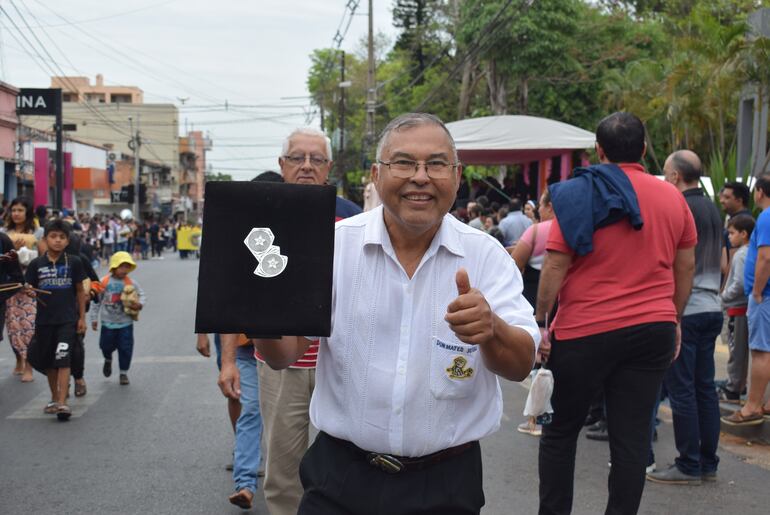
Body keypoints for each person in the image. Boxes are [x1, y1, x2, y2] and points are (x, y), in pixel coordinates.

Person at [220, 113, 538, 515]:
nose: (420, 177)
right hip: (339, 478)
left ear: (457, 176)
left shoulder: (487, 257)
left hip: (445, 485)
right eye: (404, 163)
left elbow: (521, 363)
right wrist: (261, 309)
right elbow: (284, 355)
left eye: (436, 164)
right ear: (376, 173)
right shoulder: (332, 247)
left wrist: (492, 329)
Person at [535, 112, 697, 514]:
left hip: (584, 329)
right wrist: (673, 318)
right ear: (644, 148)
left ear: (599, 150)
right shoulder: (673, 198)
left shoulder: (577, 194)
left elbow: (555, 264)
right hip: (652, 328)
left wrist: (541, 322)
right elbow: (686, 266)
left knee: (560, 432)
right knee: (632, 439)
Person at [219, 127, 361, 515]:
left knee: (350, 465)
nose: (306, 166)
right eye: (297, 158)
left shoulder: (355, 219)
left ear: (329, 167)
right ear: (282, 165)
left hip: (343, 361)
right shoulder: (257, 217)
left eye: (316, 159)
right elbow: (236, 292)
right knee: (283, 471)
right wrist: (229, 359)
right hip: (281, 364)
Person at [647, 150, 723, 486]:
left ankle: (688, 463)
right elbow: (722, 263)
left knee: (682, 389)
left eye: (665, 173)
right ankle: (708, 460)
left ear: (676, 176)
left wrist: (672, 312)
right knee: (705, 388)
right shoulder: (712, 209)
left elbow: (678, 263)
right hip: (713, 307)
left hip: (687, 310)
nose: (664, 179)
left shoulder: (679, 207)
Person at [25, 219, 87, 421]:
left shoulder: (74, 263)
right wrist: (28, 290)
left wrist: (82, 318)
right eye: (53, 236)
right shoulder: (36, 264)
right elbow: (30, 289)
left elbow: (80, 291)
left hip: (67, 321)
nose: (57, 241)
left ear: (68, 241)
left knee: (63, 359)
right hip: (44, 322)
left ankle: (63, 402)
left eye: (62, 237)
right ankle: (54, 397)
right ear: (45, 240)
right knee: (50, 362)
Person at [722, 174, 770, 426]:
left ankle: (751, 407)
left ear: (760, 192)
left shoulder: (766, 217)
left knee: (761, 351)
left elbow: (765, 257)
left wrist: (758, 291)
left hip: (765, 294)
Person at [2, 197, 44, 382]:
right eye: (14, 210)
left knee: (27, 325)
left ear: (27, 212)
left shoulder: (38, 232)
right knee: (12, 326)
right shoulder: (4, 233)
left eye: (20, 210)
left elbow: (43, 256)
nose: (16, 213)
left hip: (28, 283)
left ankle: (29, 364)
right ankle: (18, 358)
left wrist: (26, 251)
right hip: (8, 285)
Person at [90, 251, 146, 386]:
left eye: (127, 267)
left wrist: (140, 304)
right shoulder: (104, 282)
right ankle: (108, 359)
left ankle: (123, 373)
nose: (124, 270)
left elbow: (142, 294)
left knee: (126, 348)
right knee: (105, 346)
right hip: (107, 323)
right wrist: (94, 318)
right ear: (114, 267)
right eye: (122, 266)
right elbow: (96, 300)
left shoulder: (131, 283)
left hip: (125, 323)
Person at [717, 214, 754, 404]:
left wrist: (722, 297)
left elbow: (738, 284)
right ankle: (739, 384)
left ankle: (733, 388)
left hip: (736, 308)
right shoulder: (751, 252)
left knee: (736, 350)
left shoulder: (741, 255)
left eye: (732, 233)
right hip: (745, 307)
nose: (729, 237)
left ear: (744, 234)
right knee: (742, 350)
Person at [512, 190, 555, 308]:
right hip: (562, 298)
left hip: (533, 296)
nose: (538, 209)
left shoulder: (536, 230)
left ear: (549, 207)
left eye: (540, 205)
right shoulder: (572, 229)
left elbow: (513, 265)